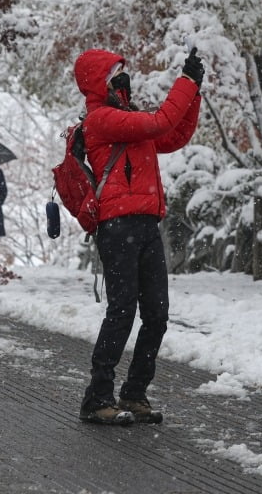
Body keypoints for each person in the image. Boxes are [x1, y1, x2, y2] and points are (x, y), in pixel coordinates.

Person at [73, 46, 204, 426]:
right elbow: (160, 122)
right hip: (117, 228)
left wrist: (193, 93)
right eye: (114, 75)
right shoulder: (100, 121)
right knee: (122, 311)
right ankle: (97, 398)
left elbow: (173, 134)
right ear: (99, 82)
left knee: (157, 314)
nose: (121, 80)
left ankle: (134, 393)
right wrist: (186, 82)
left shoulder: (127, 118)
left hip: (145, 225)